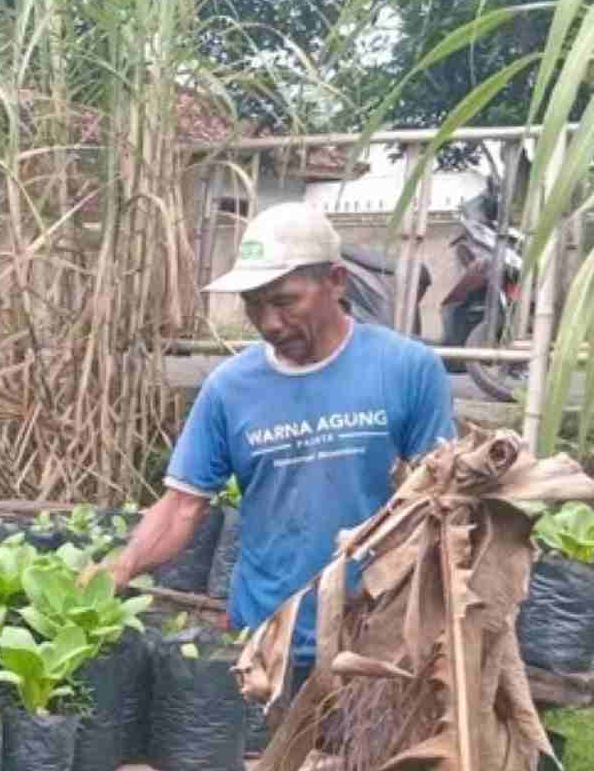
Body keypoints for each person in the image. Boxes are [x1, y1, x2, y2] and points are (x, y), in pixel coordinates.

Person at [101, 200, 457, 686]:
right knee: (266, 762)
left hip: (374, 640)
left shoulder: (407, 370)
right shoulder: (229, 387)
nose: (268, 322)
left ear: (336, 281)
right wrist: (120, 567)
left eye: (285, 301)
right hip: (268, 639)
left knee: (358, 764)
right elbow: (182, 506)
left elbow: (438, 502)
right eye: (253, 303)